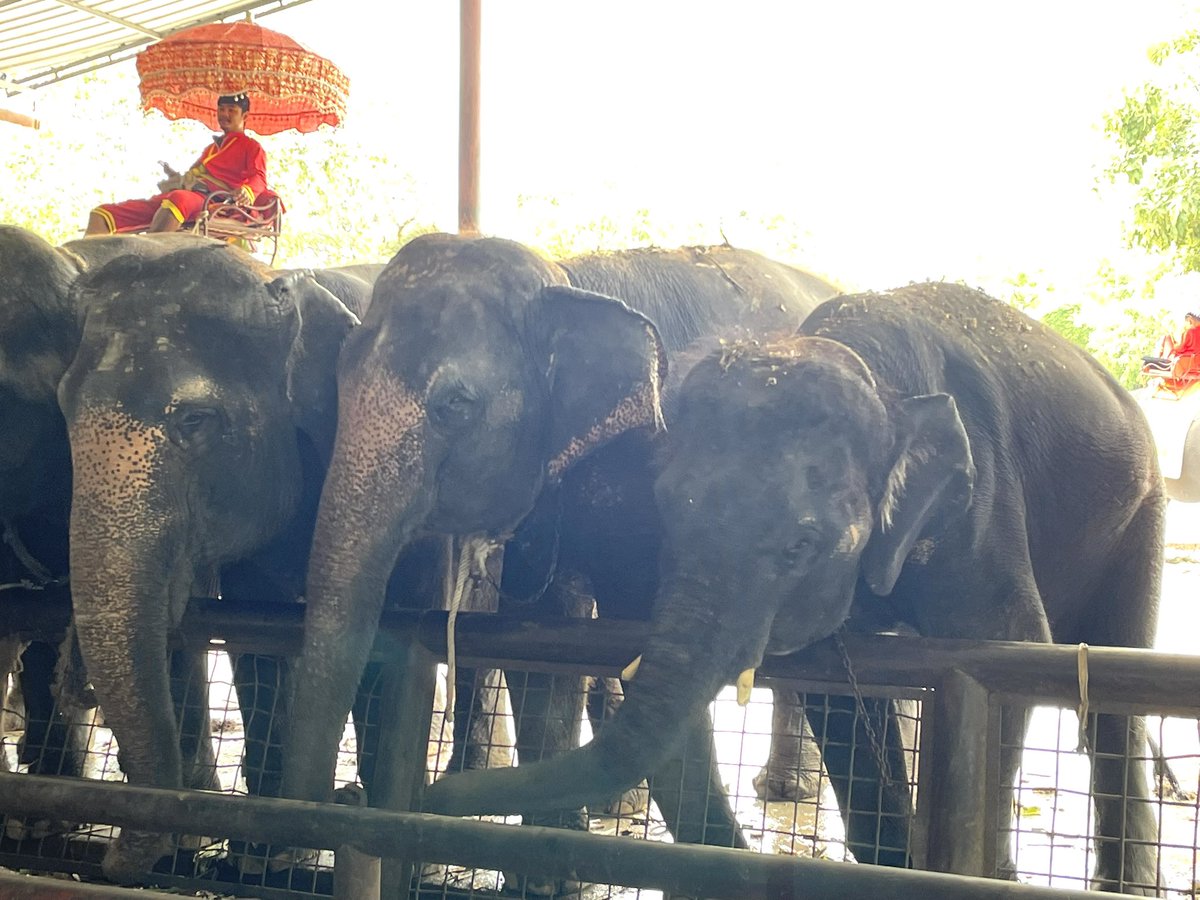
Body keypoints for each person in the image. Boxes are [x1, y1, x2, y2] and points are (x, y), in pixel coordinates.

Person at [84, 93, 267, 235]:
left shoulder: (252, 147)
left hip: (211, 201)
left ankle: (149, 255)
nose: (224, 114)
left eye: (231, 110)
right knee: (102, 213)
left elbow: (259, 177)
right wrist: (174, 176)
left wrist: (247, 191)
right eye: (221, 109)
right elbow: (192, 176)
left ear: (245, 115)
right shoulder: (211, 148)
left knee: (177, 199)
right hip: (186, 195)